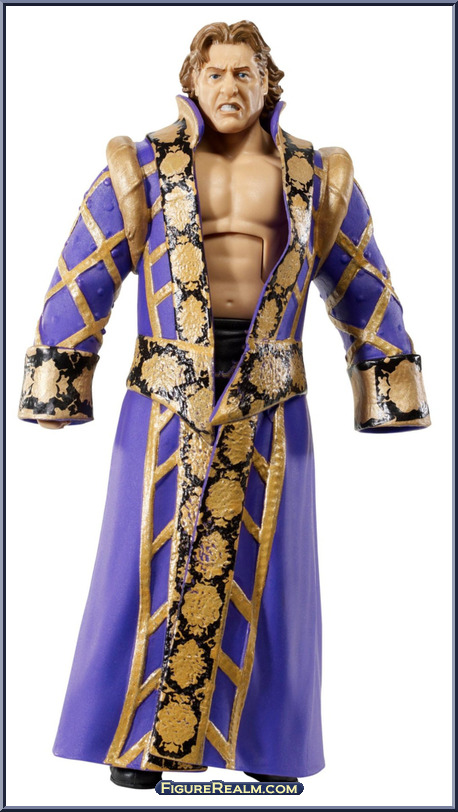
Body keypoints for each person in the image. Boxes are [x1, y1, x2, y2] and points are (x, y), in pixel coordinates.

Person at [18, 20, 430, 790]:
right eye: (216, 74)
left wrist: (387, 381)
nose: (230, 87)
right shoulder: (143, 167)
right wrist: (59, 379)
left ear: (269, 82)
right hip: (164, 403)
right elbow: (86, 267)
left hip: (272, 401)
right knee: (144, 570)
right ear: (192, 81)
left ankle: (270, 748)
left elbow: (361, 278)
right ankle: (141, 747)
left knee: (272, 584)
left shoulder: (315, 175)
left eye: (245, 73)